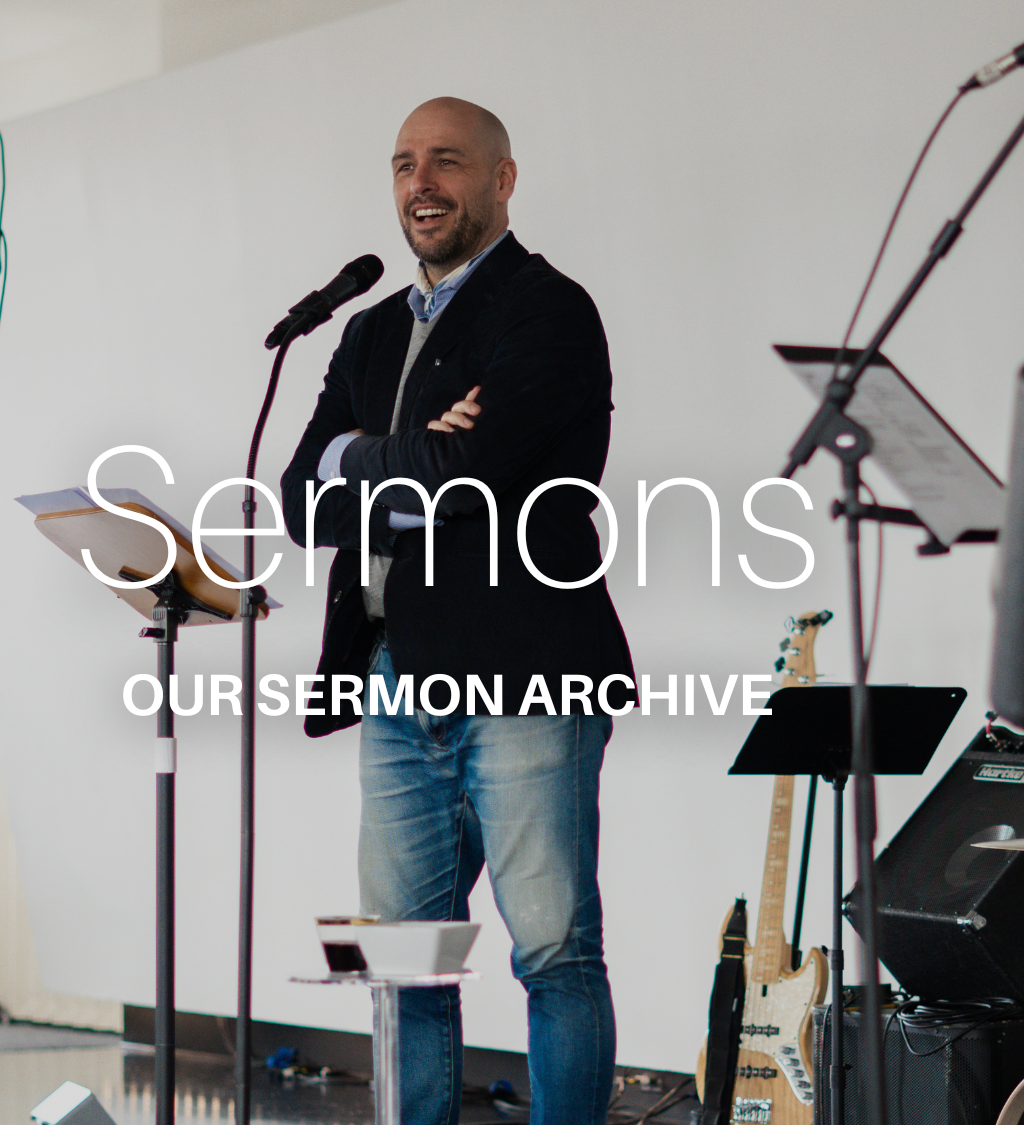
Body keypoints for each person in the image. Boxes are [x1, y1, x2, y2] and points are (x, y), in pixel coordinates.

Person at [281, 96, 634, 1125]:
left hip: (527, 670)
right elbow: (301, 497)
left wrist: (363, 459)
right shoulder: (368, 330)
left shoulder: (545, 309)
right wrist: (401, 457)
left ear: (502, 179)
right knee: (401, 957)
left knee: (554, 951)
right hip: (392, 675)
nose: (420, 183)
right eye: (403, 164)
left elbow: (469, 471)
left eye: (445, 161)